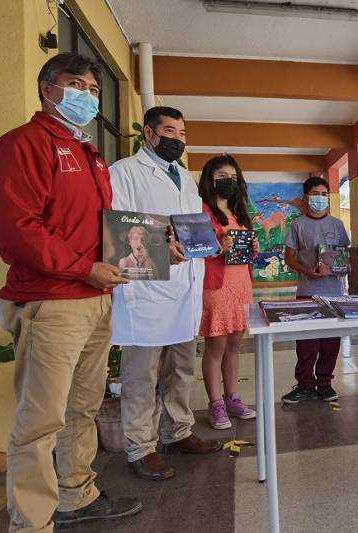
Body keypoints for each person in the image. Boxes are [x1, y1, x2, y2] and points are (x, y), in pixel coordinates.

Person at [0, 52, 141, 532]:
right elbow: (15, 227)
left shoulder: (87, 152)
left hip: (94, 299)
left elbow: (95, 229)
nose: (87, 96)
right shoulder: (25, 144)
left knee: (82, 407)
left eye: (94, 90)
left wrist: (147, 251)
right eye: (76, 85)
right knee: (40, 421)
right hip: (52, 301)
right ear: (46, 89)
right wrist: (81, 268)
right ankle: (31, 523)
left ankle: (76, 494)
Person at [109, 106, 222, 482]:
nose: (178, 139)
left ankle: (179, 432)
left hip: (184, 286)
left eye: (183, 133)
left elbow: (189, 227)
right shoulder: (123, 172)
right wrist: (161, 250)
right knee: (141, 372)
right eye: (170, 131)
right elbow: (116, 226)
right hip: (147, 288)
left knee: (182, 367)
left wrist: (207, 245)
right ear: (150, 135)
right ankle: (140, 447)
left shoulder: (186, 179)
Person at [198, 154, 259, 429]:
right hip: (216, 286)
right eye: (222, 176)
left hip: (241, 285)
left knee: (235, 345)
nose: (228, 182)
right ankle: (216, 405)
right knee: (216, 346)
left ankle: (232, 397)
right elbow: (194, 250)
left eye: (233, 177)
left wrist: (253, 250)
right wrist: (216, 246)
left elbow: (243, 250)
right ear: (210, 180)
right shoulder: (201, 210)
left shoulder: (239, 212)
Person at [281, 176, 350, 404]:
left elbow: (343, 254)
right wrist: (307, 271)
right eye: (315, 194)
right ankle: (305, 385)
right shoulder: (297, 224)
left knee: (330, 341)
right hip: (307, 290)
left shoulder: (337, 225)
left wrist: (341, 267)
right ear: (306, 197)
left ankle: (325, 383)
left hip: (333, 292)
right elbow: (289, 258)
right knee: (306, 342)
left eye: (324, 194)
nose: (320, 198)